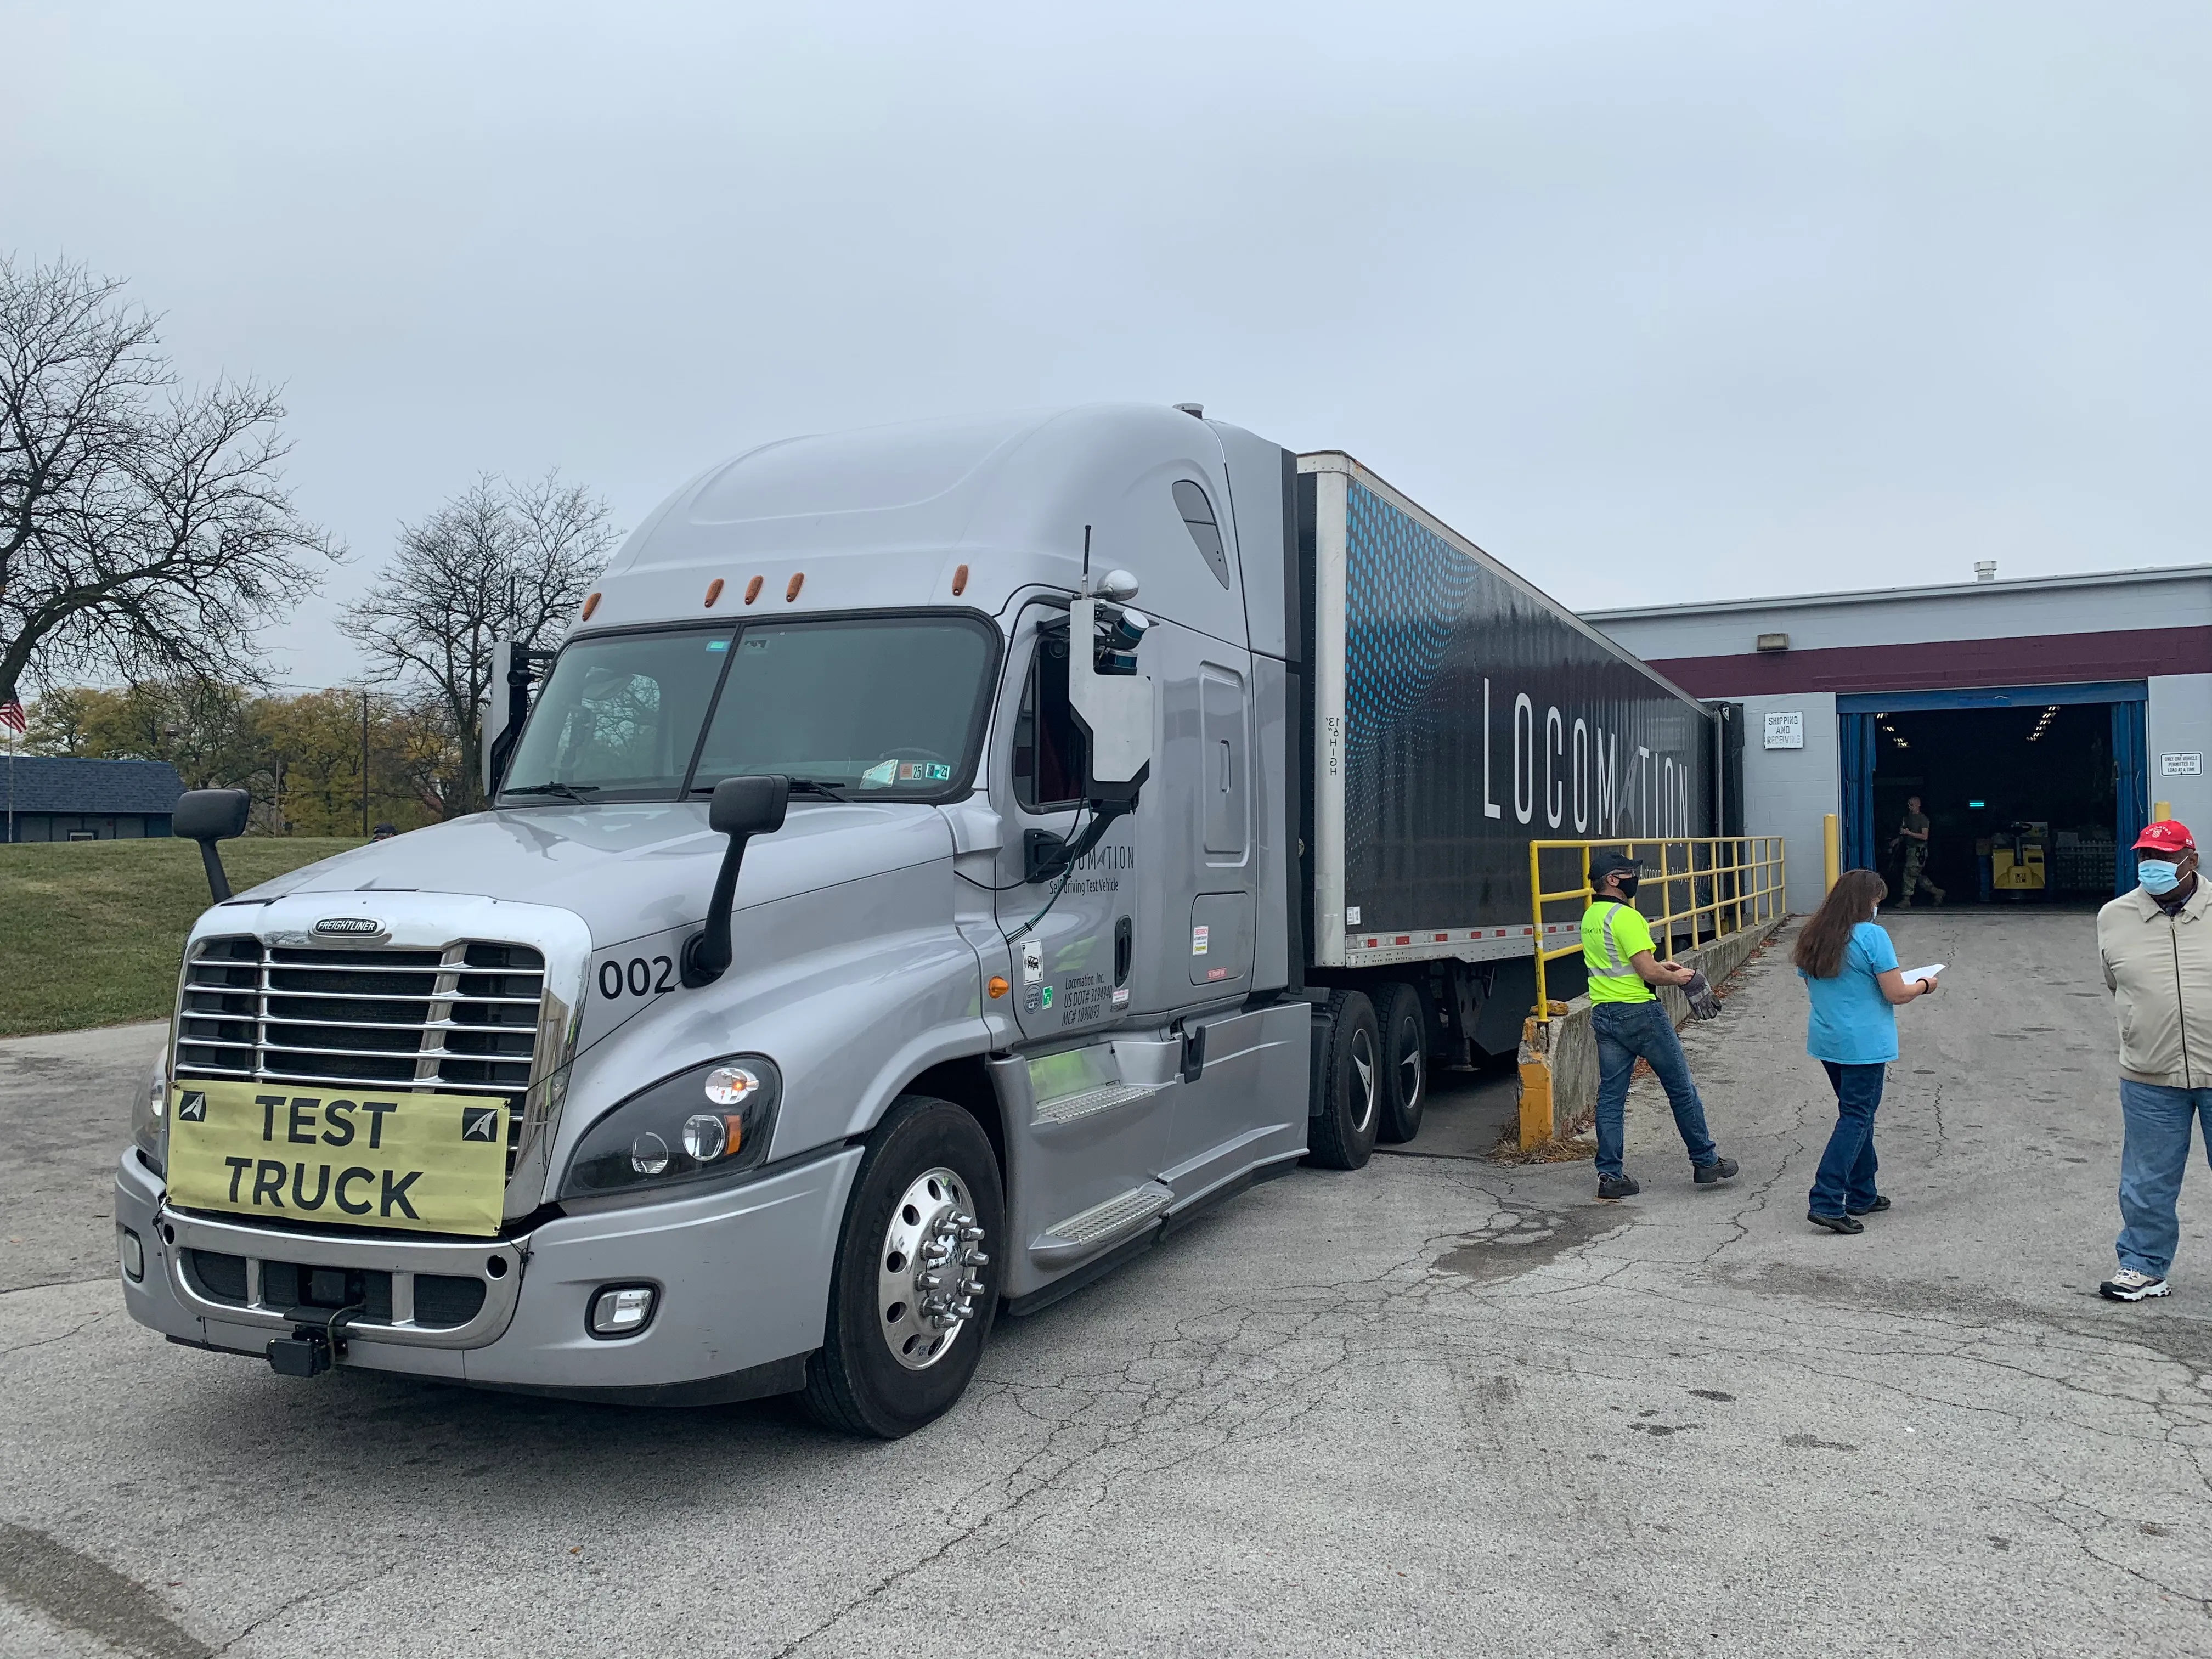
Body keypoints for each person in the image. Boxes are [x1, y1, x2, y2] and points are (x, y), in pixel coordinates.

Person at [2094, 818, 2212, 1302]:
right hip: (2149, 1072)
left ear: (2191, 860)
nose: (2153, 867)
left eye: (2164, 858)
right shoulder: (2114, 916)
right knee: (2147, 1181)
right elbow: (2115, 982)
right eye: (2145, 858)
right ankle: (2143, 1266)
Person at [1582, 849, 1739, 1200]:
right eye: (1628, 873)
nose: (1635, 878)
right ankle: (1705, 1161)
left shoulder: (1591, 916)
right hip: (1640, 1014)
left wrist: (1660, 968)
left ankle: (1610, 1177)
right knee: (1681, 1088)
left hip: (1605, 1014)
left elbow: (1626, 963)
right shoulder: (1628, 918)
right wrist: (1688, 979)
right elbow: (1647, 972)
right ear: (1612, 880)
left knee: (1610, 1097)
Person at [1792, 868, 1937, 1234]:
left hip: (1828, 1040)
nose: (1877, 909)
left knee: (1858, 1113)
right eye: (1876, 902)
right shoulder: (1872, 936)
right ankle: (1826, 1199)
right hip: (1865, 1044)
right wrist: (1924, 983)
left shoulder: (1815, 935)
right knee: (1856, 1117)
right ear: (1865, 903)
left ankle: (1862, 1191)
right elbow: (1896, 993)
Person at [1895, 796, 1944, 908]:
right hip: (1910, 850)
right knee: (1915, 875)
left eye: (1912, 805)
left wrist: (1909, 834)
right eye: (1908, 805)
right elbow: (1903, 834)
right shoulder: (1907, 819)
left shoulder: (1923, 819)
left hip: (1918, 851)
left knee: (1910, 873)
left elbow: (1924, 836)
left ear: (1918, 805)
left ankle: (1906, 899)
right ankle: (1937, 892)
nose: (1909, 807)